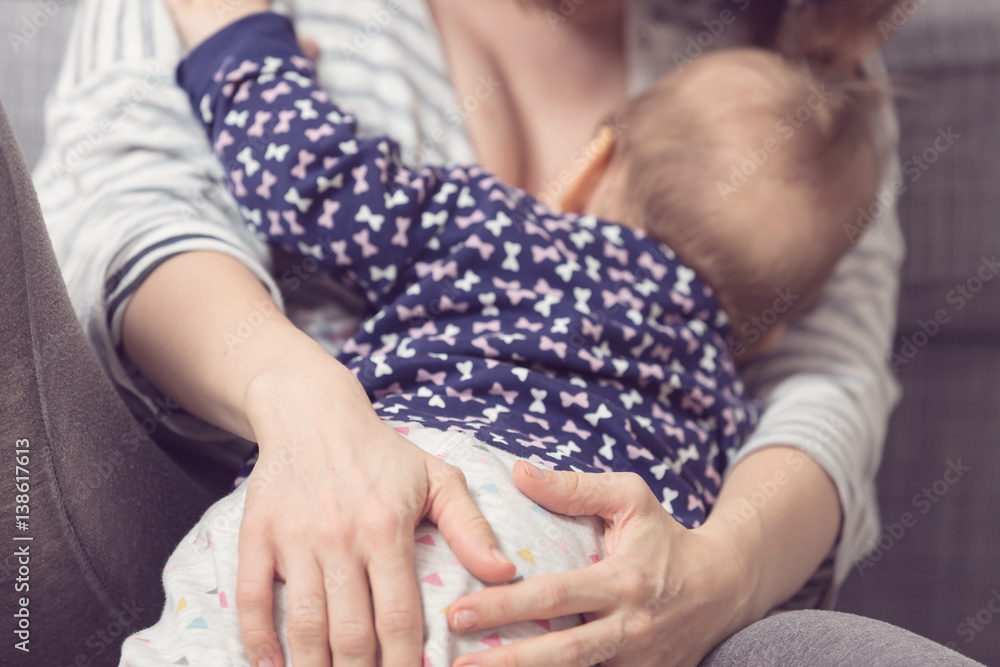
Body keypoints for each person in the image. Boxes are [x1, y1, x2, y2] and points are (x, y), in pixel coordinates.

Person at [23, 0, 955, 664]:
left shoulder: (492, 229)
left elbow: (312, 177)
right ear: (771, 324)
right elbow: (131, 205)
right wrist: (298, 398)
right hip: (564, 601)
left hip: (391, 523)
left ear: (594, 162)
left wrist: (237, 41)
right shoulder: (720, 384)